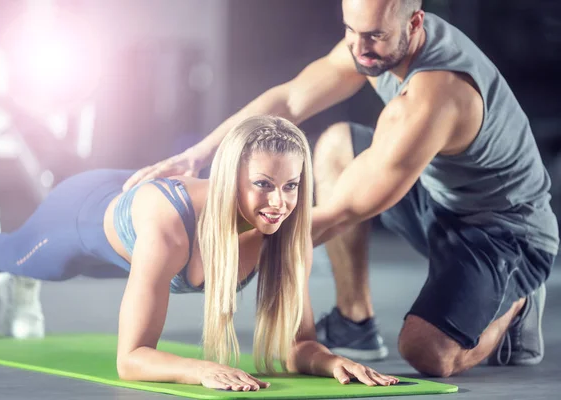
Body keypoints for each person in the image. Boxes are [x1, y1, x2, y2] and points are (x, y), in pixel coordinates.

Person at [122, 0, 559, 378]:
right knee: (335, 145)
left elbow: (340, 213)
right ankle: (355, 320)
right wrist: (197, 154)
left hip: (503, 229)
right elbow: (290, 101)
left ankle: (515, 308)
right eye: (350, 30)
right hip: (439, 191)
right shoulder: (371, 39)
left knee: (427, 353)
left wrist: (228, 243)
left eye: (373, 36)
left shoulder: (435, 96)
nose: (358, 47)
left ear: (415, 24)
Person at [0, 115, 398, 390]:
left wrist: (329, 361)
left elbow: (296, 345)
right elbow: (130, 359)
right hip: (83, 212)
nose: (279, 203)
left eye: (291, 186)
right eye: (263, 184)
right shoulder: (169, 228)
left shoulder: (287, 235)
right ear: (231, 177)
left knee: (114, 273)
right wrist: (199, 369)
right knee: (18, 256)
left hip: (137, 241)